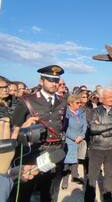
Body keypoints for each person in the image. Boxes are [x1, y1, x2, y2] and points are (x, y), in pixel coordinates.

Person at [10, 65, 67, 202]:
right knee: (25, 192)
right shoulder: (27, 101)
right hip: (32, 153)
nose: (54, 84)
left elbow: (61, 125)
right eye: (50, 80)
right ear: (41, 81)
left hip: (54, 153)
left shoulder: (62, 102)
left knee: (49, 192)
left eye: (56, 80)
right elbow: (14, 129)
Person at [85, 87, 112, 202]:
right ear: (102, 99)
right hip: (96, 147)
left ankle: (107, 196)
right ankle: (89, 198)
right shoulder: (94, 111)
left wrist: (103, 132)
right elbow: (93, 128)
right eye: (109, 97)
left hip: (111, 148)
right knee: (92, 175)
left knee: (109, 174)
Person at [61, 94, 87, 189]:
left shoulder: (81, 112)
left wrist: (82, 135)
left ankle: (74, 176)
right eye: (77, 102)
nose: (79, 104)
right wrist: (74, 137)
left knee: (76, 159)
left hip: (80, 139)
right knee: (67, 162)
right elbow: (64, 128)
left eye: (80, 102)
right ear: (70, 103)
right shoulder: (66, 113)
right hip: (69, 140)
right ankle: (65, 180)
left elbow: (85, 125)